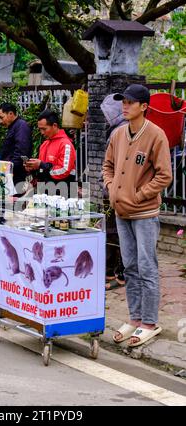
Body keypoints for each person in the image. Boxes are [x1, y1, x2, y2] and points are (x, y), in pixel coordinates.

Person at [103, 84, 172, 347]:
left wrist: (139, 195)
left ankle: (150, 322)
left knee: (147, 267)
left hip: (144, 212)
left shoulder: (157, 136)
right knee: (129, 266)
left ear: (144, 106)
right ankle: (135, 317)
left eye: (130, 102)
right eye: (123, 101)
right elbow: (108, 166)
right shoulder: (118, 134)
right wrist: (111, 188)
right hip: (121, 211)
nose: (125, 105)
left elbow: (165, 175)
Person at [100, 94, 127, 290]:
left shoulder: (121, 131)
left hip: (118, 193)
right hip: (110, 190)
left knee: (117, 233)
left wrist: (111, 187)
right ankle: (110, 270)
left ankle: (121, 273)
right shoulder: (116, 130)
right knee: (111, 232)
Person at [24, 109, 76, 186]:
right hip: (45, 192)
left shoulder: (65, 144)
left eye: (44, 129)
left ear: (54, 126)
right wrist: (33, 168)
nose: (41, 132)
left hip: (62, 193)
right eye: (40, 129)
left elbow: (64, 170)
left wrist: (41, 165)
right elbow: (43, 171)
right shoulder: (44, 144)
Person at [0, 103, 32, 189]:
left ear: (11, 114)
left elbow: (21, 152)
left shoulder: (21, 126)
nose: (0, 122)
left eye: (2, 118)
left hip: (17, 174)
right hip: (11, 172)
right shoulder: (14, 127)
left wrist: (9, 169)